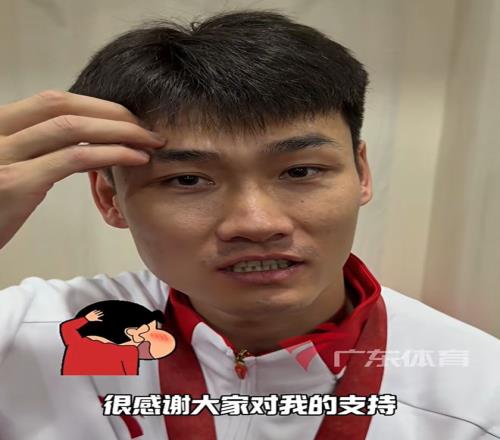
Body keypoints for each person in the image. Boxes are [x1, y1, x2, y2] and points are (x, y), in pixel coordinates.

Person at [0, 9, 498, 440]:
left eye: (300, 172)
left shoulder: (478, 391)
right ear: (110, 198)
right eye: (187, 180)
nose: (256, 224)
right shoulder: (26, 338)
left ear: (362, 173)